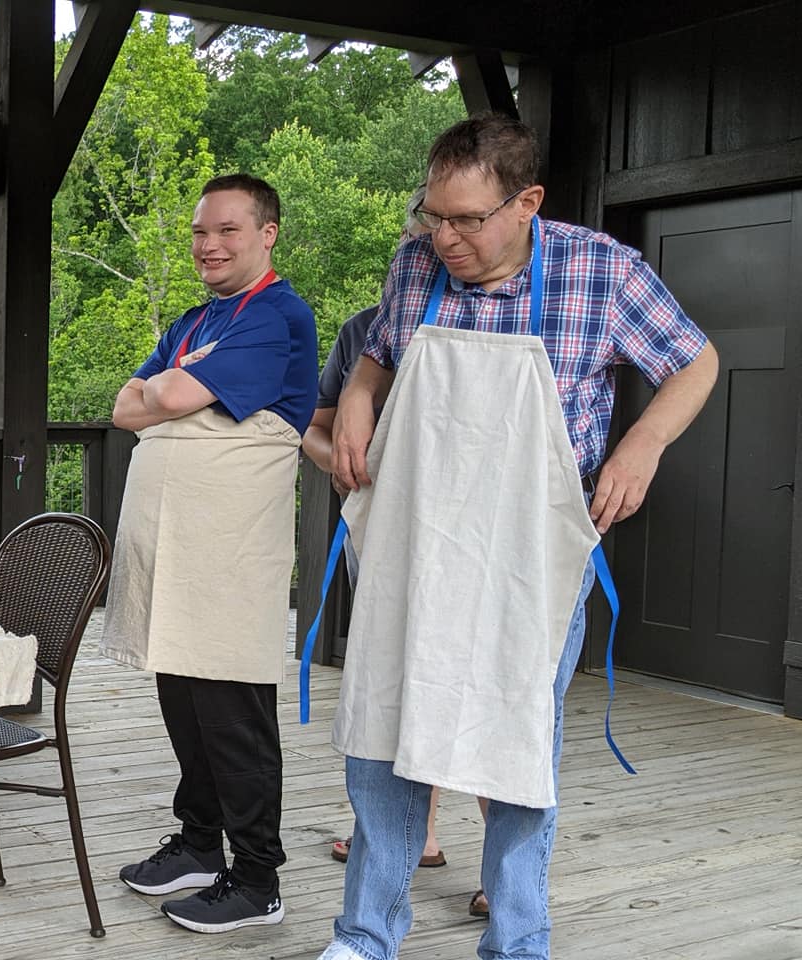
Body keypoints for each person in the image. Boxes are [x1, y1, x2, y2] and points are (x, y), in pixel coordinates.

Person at [315, 114, 718, 960]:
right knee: (384, 732)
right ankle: (364, 937)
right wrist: (356, 397)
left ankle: (516, 940)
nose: (444, 238)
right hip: (417, 539)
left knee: (516, 740)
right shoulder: (413, 263)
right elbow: (378, 354)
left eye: (467, 219)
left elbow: (694, 361)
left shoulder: (602, 272)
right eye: (432, 215)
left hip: (529, 553)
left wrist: (641, 443)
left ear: (526, 201)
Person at [99, 173, 317, 935]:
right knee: (184, 702)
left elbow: (161, 402)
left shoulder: (277, 315)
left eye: (227, 230)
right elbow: (130, 404)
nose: (208, 245)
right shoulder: (197, 320)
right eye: (199, 232)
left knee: (231, 711)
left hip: (226, 552)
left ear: (267, 233)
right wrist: (164, 395)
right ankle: (198, 844)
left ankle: (256, 878)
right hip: (178, 549)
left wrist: (164, 397)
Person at [304, 186, 492, 914]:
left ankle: (498, 878)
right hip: (383, 529)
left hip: (477, 533)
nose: (439, 244)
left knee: (482, 688)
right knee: (396, 677)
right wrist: (340, 465)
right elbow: (314, 427)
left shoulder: (513, 313)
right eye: (427, 230)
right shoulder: (360, 334)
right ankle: (416, 837)